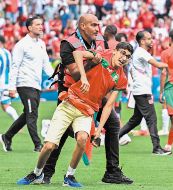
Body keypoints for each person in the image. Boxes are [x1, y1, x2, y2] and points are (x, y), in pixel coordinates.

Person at [17, 42, 134, 187]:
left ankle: (69, 176)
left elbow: (109, 105)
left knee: (82, 139)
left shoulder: (121, 78)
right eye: (122, 53)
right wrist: (83, 76)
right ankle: (36, 173)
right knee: (49, 146)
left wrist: (99, 129)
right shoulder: (101, 54)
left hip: (86, 111)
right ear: (114, 51)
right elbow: (77, 53)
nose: (124, 58)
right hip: (70, 102)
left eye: (128, 56)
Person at [41, 14, 133, 185]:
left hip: (94, 91)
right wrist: (93, 62)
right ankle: (47, 172)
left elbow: (106, 67)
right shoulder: (68, 44)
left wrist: (104, 89)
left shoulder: (100, 40)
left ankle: (112, 172)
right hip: (71, 89)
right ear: (82, 26)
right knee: (63, 132)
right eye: (93, 25)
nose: (98, 29)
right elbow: (75, 74)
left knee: (113, 123)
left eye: (98, 25)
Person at [0, 16, 53, 152]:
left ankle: (7, 137)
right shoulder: (21, 45)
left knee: (28, 114)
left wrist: (56, 78)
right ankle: (38, 144)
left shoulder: (41, 44)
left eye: (41, 24)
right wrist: (12, 87)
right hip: (24, 83)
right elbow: (15, 66)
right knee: (32, 114)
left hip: (36, 85)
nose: (41, 27)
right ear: (29, 27)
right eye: (37, 24)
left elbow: (46, 65)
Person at [119, 30, 171, 155]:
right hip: (142, 91)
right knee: (151, 118)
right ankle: (157, 147)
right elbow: (158, 65)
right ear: (142, 41)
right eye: (148, 38)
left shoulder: (140, 52)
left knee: (136, 120)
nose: (151, 40)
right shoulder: (141, 52)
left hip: (140, 90)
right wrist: (171, 65)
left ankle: (114, 137)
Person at [0, 35, 19, 123]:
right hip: (6, 83)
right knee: (5, 106)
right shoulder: (7, 52)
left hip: (0, 83)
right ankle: (18, 123)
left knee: (5, 106)